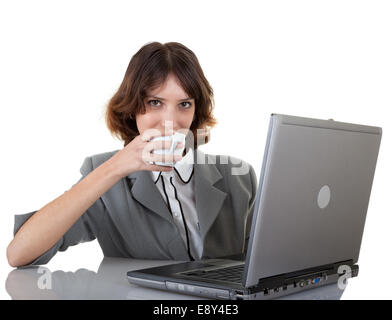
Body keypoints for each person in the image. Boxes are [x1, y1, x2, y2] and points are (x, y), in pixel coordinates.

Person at [7, 42, 257, 268]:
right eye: (155, 103)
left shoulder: (237, 176)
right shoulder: (105, 174)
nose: (170, 121)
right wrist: (114, 168)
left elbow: (261, 266)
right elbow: (19, 254)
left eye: (184, 104)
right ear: (132, 107)